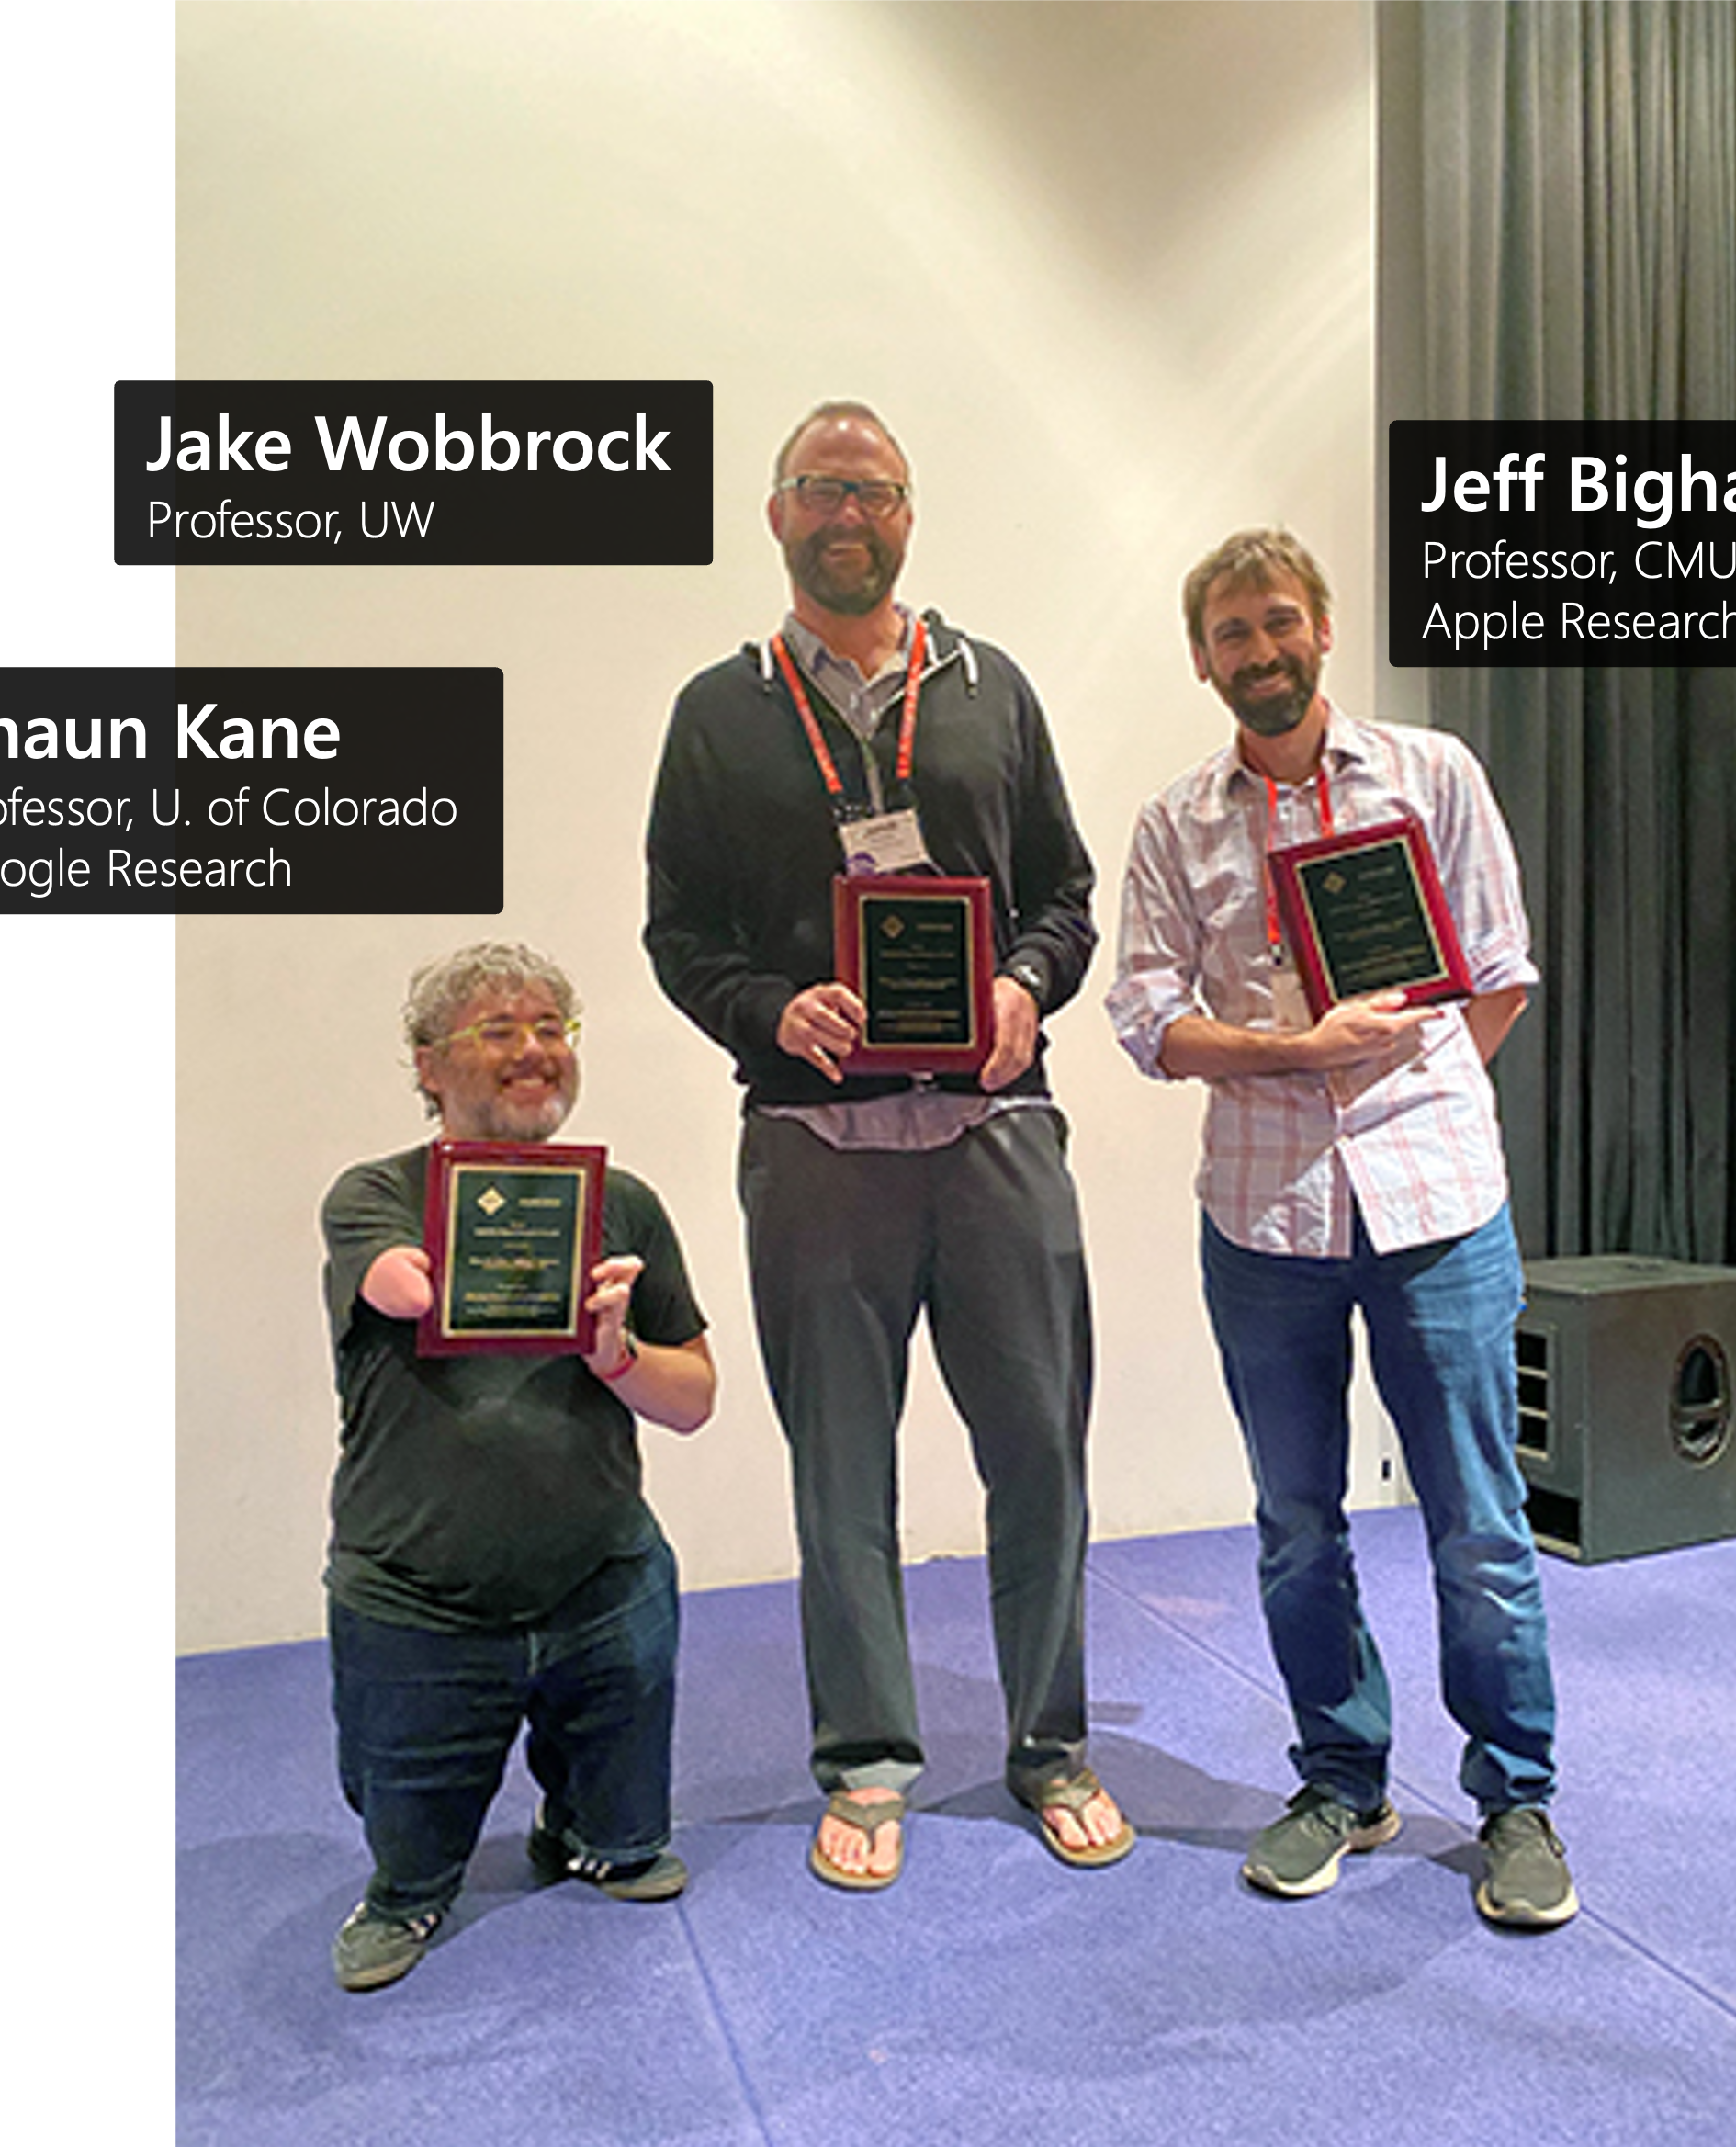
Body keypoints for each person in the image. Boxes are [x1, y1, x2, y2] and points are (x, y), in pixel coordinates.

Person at [644, 401, 1130, 1889]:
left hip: (996, 1127)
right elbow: (678, 935)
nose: (844, 512)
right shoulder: (719, 710)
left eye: (872, 490)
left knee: (1038, 1450)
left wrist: (1019, 987)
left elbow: (1063, 889)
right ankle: (865, 1759)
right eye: (818, 489)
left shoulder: (992, 689)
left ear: (908, 515)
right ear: (775, 515)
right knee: (839, 1467)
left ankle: (1049, 1744)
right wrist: (777, 1011)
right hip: (813, 1145)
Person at [1106, 528, 1576, 1928]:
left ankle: (1513, 1799)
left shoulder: (1434, 775)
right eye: (1230, 635)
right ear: (1201, 660)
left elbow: (1497, 975)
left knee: (1480, 1526)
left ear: (1322, 628)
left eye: (1278, 623)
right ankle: (1340, 1779)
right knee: (1297, 1527)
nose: (1258, 653)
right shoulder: (1172, 824)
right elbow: (1146, 1021)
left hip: (1437, 1206)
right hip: (1262, 1221)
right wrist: (1296, 1051)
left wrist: (1410, 1095)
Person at [320, 941, 716, 1989]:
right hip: (417, 1596)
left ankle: (582, 1827)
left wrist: (612, 1351)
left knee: (632, 1851)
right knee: (409, 1864)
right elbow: (400, 1286)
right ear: (425, 1062)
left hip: (601, 1581)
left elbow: (694, 1401)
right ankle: (404, 1892)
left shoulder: (623, 1205)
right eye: (497, 1032)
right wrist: (496, 1250)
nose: (532, 1051)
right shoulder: (372, 1196)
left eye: (549, 1029)